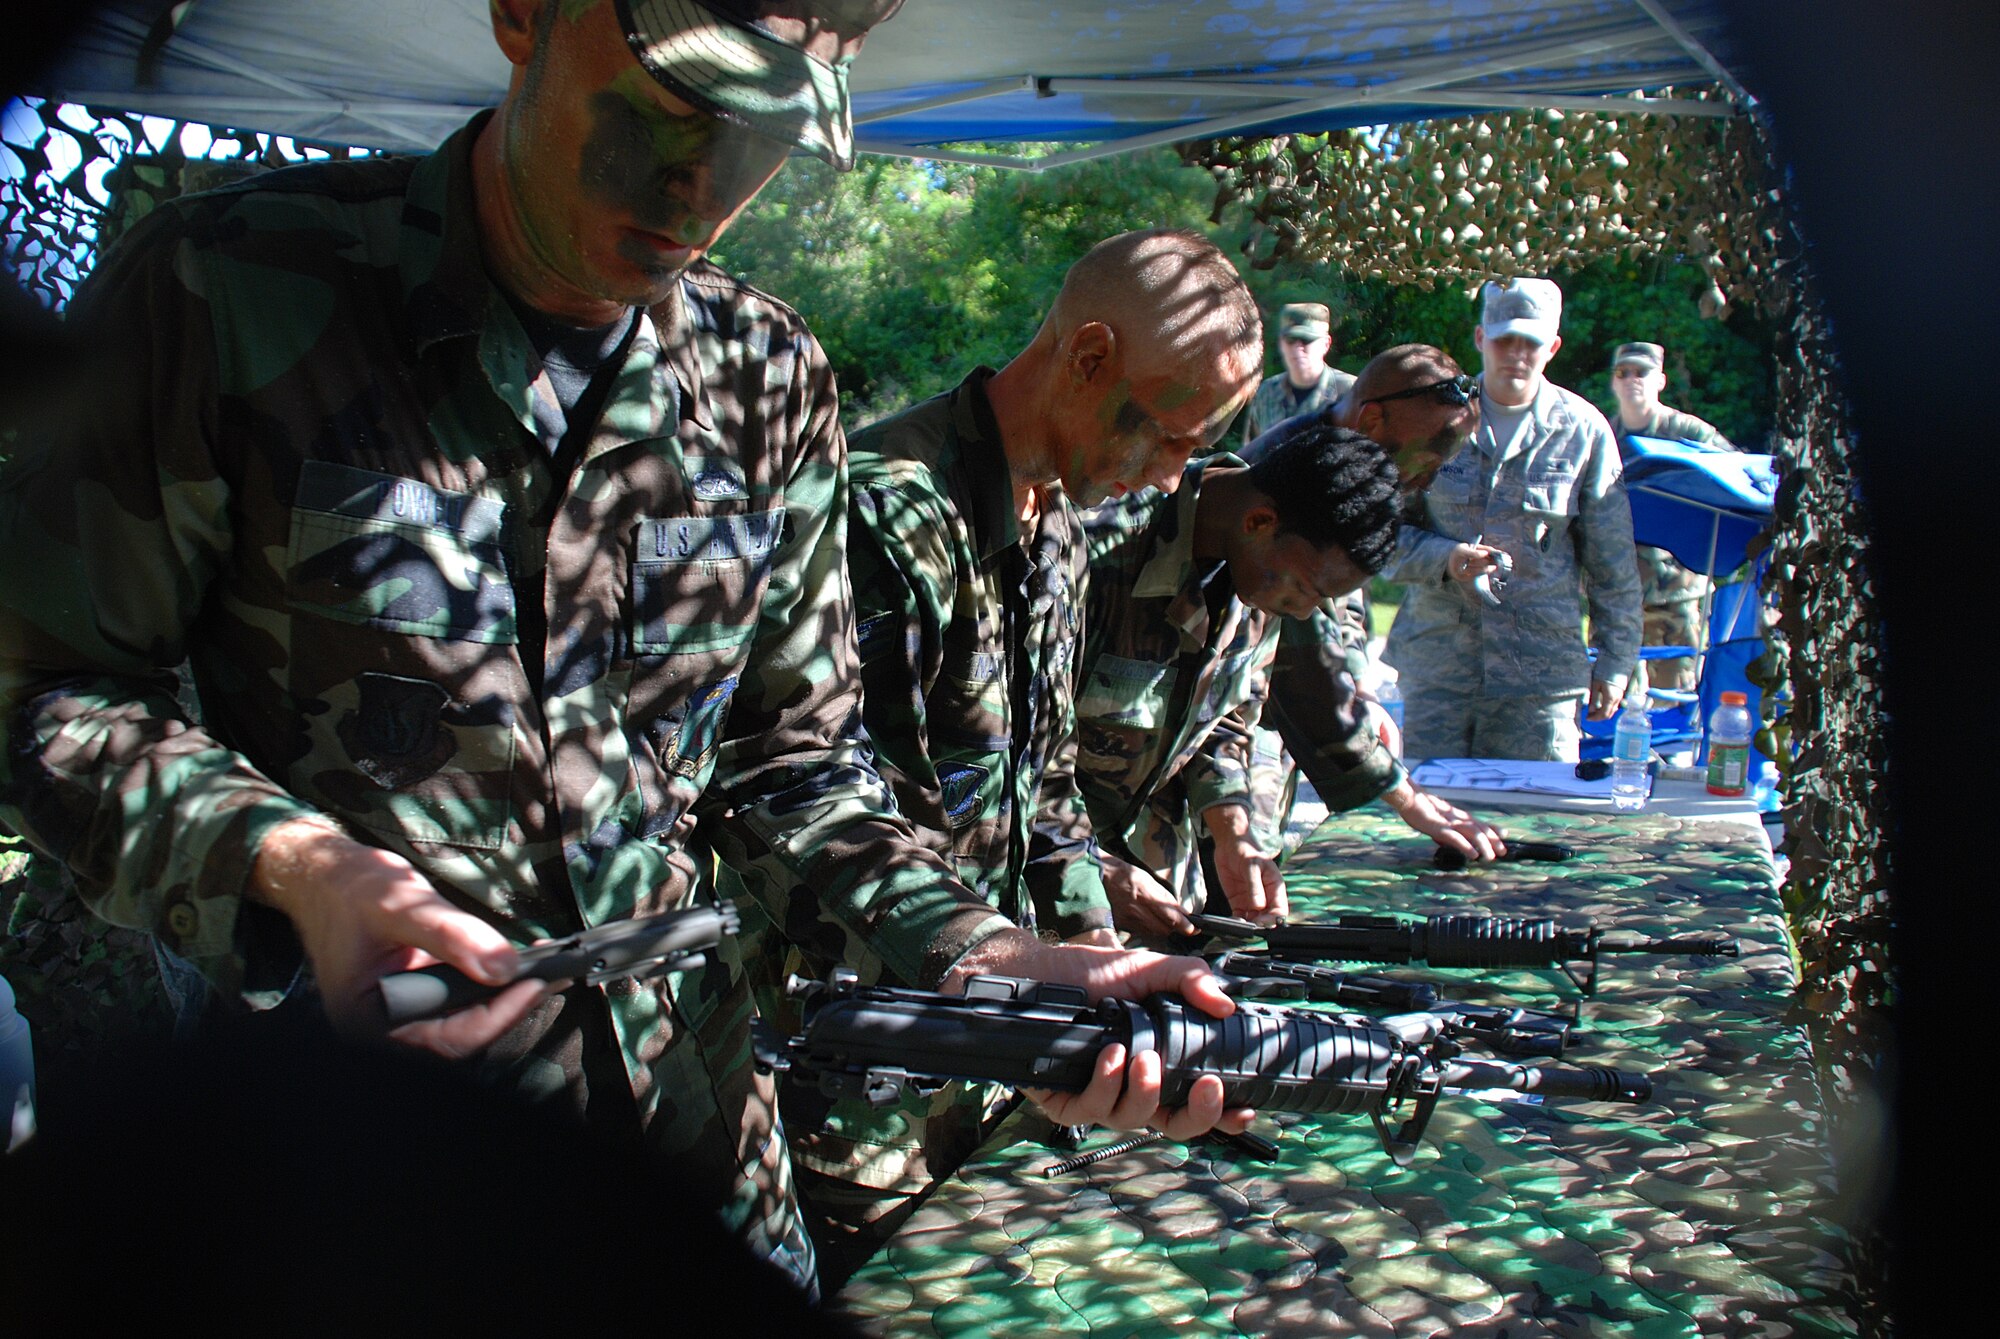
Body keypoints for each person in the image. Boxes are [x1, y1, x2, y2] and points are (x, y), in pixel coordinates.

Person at [0, 0, 1249, 1295]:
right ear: (523, 15)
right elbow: (51, 689)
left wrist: (985, 952)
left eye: (766, 131)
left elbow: (793, 758)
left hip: (696, 1132)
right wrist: (301, 867)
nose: (704, 186)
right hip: (371, 1160)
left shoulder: (766, 376)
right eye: (671, 105)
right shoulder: (234, 290)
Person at [742, 228, 1260, 1282]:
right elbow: (800, 806)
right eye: (1165, 438)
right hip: (862, 1047)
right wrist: (1010, 981)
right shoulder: (886, 518)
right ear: (1085, 358)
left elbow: (1047, 788)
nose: (1170, 483)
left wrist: (1102, 982)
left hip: (996, 1026)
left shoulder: (1058, 528)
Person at [1073, 423, 1402, 937]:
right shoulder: (1090, 554)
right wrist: (1081, 872)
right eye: (1304, 591)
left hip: (1153, 890)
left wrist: (1234, 836)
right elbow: (997, 760)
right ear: (1259, 521)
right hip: (1037, 903)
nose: (1302, 613)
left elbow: (1221, 718)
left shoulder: (1256, 573)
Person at [1237, 345, 1506, 862]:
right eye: (1428, 457)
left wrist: (1357, 681)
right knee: (1239, 877)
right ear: (1373, 418)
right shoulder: (1289, 477)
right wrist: (1405, 796)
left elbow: (1342, 602)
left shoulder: (1353, 468)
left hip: (1287, 705)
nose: (1426, 481)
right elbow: (1301, 650)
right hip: (1242, 722)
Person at [1383, 279, 1643, 763]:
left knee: (1537, 824)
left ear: (1554, 348)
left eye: (1532, 343)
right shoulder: (1433, 421)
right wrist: (1446, 558)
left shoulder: (1583, 431)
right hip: (1440, 669)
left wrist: (1615, 661)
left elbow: (1613, 562)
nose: (1517, 355)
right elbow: (1379, 536)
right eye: (1505, 340)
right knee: (1429, 818)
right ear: (1481, 338)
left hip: (1539, 679)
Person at [1608, 341, 1738, 694]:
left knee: (1677, 704)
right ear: (1614, 383)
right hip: (1618, 603)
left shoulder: (1690, 434)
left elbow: (1737, 483)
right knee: (1616, 711)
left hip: (1678, 598)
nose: (1632, 379)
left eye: (1642, 372)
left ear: (1660, 380)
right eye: (1624, 373)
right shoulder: (1602, 438)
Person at [1236, 302, 1354, 444]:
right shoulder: (1266, 394)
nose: (1298, 348)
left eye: (1306, 340)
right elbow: (1250, 454)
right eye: (1291, 340)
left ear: (1326, 344)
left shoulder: (1350, 392)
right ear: (1281, 343)